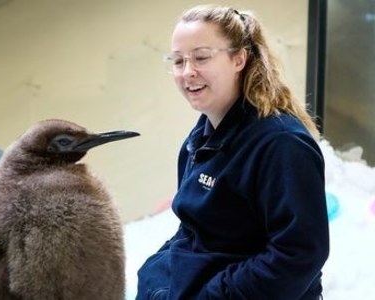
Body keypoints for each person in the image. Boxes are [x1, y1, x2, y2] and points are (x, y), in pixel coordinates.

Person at [136, 5, 329, 300]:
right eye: (177, 61)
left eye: (201, 57)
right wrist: (154, 278)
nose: (188, 71)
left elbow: (298, 254)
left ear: (238, 58)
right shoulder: (198, 140)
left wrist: (212, 295)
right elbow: (192, 231)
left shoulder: (281, 144)